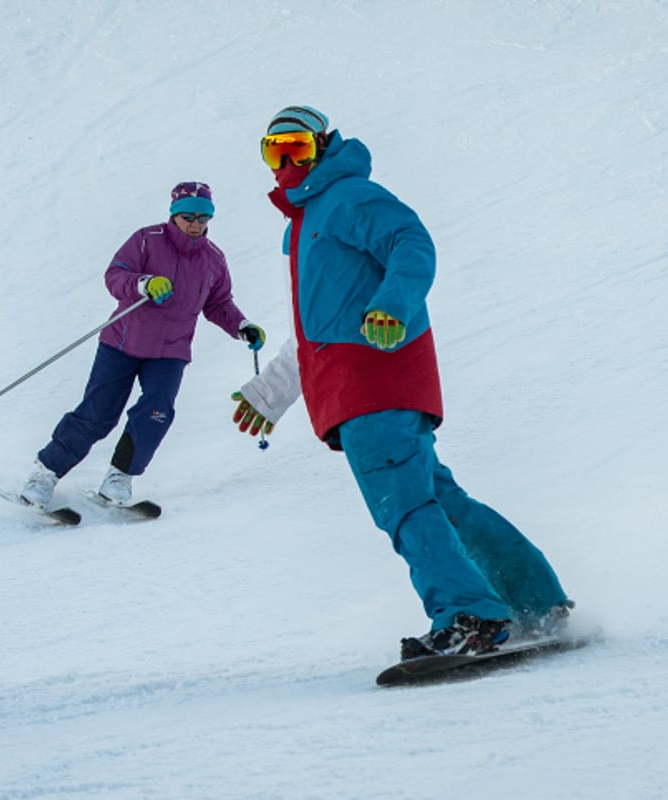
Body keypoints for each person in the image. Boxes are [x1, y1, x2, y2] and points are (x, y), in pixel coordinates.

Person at [232, 105, 572, 660]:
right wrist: (271, 393)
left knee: (404, 506)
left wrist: (394, 303)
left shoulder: (348, 197)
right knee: (439, 499)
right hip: (359, 385)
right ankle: (535, 603)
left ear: (323, 146)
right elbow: (316, 327)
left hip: (374, 382)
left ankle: (470, 617)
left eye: (297, 146)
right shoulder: (305, 225)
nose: (287, 161)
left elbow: (411, 243)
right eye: (275, 151)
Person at [20, 181, 265, 508]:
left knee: (156, 413)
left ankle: (119, 478)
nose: (196, 225)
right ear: (174, 214)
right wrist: (143, 283)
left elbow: (218, 303)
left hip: (171, 352)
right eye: (188, 216)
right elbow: (115, 275)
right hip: (122, 343)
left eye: (203, 218)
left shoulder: (213, 259)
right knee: (98, 414)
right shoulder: (148, 240)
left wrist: (242, 326)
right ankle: (45, 474)